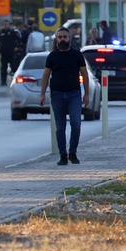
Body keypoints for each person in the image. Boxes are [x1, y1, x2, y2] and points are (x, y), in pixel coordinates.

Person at [39, 28, 88, 166]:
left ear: (70, 38)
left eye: (65, 37)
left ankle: (73, 153)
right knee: (60, 127)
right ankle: (63, 155)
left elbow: (84, 75)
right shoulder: (52, 56)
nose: (62, 39)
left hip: (74, 94)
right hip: (57, 95)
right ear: (56, 39)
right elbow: (46, 75)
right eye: (59, 37)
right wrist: (42, 94)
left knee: (76, 124)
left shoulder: (77, 55)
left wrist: (87, 94)